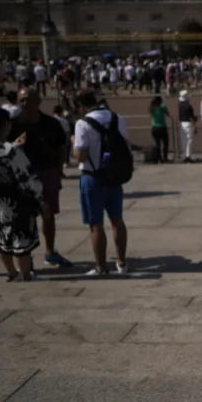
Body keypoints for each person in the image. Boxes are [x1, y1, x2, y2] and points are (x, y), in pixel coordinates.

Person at [0, 108, 44, 282]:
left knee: (3, 236)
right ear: (6, 125)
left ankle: (11, 272)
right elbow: (26, 176)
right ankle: (25, 275)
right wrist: (39, 197)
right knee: (21, 238)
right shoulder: (10, 150)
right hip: (18, 198)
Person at [73, 90, 129, 276]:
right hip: (114, 176)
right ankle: (121, 262)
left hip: (92, 177)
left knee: (96, 225)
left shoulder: (82, 123)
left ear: (81, 106)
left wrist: (74, 143)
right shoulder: (117, 118)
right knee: (117, 221)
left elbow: (80, 155)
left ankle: (101, 267)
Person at [13, 87, 71, 269]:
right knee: (26, 217)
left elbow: (61, 148)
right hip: (23, 177)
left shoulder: (51, 123)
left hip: (48, 173)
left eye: (28, 99)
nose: (24, 103)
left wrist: (59, 171)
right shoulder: (13, 124)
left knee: (48, 215)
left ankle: (50, 252)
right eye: (21, 100)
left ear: (38, 101)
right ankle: (26, 257)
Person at [148, 96, 170, 163]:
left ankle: (159, 158)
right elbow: (168, 114)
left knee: (158, 144)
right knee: (165, 143)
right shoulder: (163, 106)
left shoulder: (151, 107)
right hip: (162, 127)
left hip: (154, 128)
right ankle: (165, 158)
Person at [177, 89, 197, 163]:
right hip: (188, 123)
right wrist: (195, 125)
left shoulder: (180, 105)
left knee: (183, 140)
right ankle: (188, 156)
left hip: (181, 123)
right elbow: (192, 117)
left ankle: (184, 155)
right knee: (189, 140)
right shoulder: (189, 106)